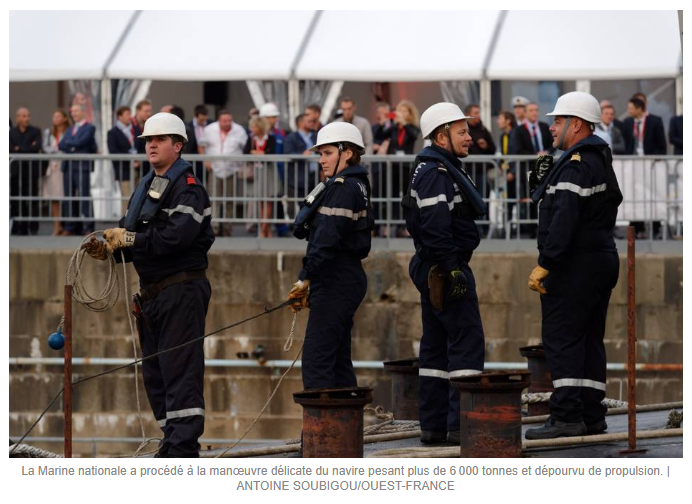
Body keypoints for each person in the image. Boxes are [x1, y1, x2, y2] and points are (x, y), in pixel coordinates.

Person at [82, 112, 214, 457]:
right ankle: (171, 439)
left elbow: (175, 239)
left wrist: (129, 239)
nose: (151, 145)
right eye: (147, 141)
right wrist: (111, 248)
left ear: (178, 145)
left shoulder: (189, 190)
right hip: (154, 293)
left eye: (159, 140)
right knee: (156, 373)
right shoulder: (147, 186)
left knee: (179, 369)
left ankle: (182, 448)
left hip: (181, 290)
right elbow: (137, 235)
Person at [524, 91, 622, 440]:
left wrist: (546, 263)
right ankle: (591, 413)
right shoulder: (594, 159)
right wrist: (542, 184)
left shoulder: (577, 163)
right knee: (589, 339)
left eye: (558, 121)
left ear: (576, 124)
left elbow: (564, 218)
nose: (551, 128)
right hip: (599, 259)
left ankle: (566, 416)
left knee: (562, 338)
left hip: (574, 264)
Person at [401, 103, 487, 444]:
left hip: (434, 266)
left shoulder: (436, 168)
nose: (469, 137)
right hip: (444, 268)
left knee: (435, 348)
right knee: (466, 342)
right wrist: (453, 269)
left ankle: (434, 426)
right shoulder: (437, 173)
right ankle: (461, 426)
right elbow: (436, 227)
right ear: (442, 136)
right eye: (462, 131)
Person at [286, 122, 372, 390]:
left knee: (317, 361)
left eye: (327, 153)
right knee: (337, 361)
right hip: (343, 278)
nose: (322, 160)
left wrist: (305, 278)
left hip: (336, 279)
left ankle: (321, 431)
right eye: (320, 154)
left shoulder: (343, 188)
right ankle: (343, 428)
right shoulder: (350, 185)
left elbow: (326, 239)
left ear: (347, 153)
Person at [200, 110, 248, 236]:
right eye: (224, 121)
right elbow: (201, 145)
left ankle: (228, 229)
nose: (227, 123)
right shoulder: (209, 129)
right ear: (218, 121)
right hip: (215, 169)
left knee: (230, 201)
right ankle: (214, 229)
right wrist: (205, 160)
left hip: (232, 170)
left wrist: (240, 165)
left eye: (229, 121)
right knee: (214, 199)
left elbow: (245, 148)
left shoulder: (239, 130)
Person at [59, 103, 97, 235]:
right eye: (72, 111)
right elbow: (61, 144)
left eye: (75, 111)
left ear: (82, 112)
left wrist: (70, 144)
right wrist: (73, 146)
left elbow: (82, 142)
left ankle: (88, 227)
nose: (73, 114)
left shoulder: (90, 127)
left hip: (82, 166)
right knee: (69, 196)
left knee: (84, 196)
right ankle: (70, 226)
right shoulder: (70, 129)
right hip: (69, 166)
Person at [9, 107, 42, 235]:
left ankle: (33, 227)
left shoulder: (35, 131)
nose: (27, 118)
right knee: (17, 198)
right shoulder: (11, 133)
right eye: (23, 116)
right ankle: (19, 226)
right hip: (16, 171)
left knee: (33, 198)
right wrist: (28, 147)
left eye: (28, 116)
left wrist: (19, 148)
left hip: (31, 171)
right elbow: (10, 149)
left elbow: (37, 147)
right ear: (17, 118)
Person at [243, 116, 277, 237]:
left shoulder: (271, 138)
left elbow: (271, 152)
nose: (251, 129)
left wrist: (257, 153)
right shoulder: (251, 139)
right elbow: (246, 152)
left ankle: (264, 229)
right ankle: (265, 230)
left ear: (260, 127)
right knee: (259, 200)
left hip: (267, 171)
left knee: (267, 200)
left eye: (254, 126)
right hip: (256, 172)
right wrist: (260, 153)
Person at [42, 109, 70, 235]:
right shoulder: (48, 132)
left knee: (66, 197)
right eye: (54, 116)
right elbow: (45, 147)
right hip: (52, 167)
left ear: (64, 118)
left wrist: (57, 150)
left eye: (58, 116)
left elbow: (69, 147)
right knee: (54, 198)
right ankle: (56, 226)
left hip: (64, 166)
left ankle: (67, 226)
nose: (56, 119)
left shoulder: (69, 131)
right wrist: (57, 150)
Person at [108, 106, 138, 215]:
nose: (130, 117)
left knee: (139, 198)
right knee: (127, 199)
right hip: (124, 170)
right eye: (127, 114)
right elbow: (113, 152)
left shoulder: (135, 129)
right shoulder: (113, 133)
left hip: (138, 169)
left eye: (130, 114)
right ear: (120, 116)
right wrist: (130, 159)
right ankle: (125, 225)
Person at [284, 113, 318, 200]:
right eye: (309, 121)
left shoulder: (315, 136)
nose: (312, 123)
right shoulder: (291, 138)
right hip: (300, 177)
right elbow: (288, 153)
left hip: (315, 176)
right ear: (301, 123)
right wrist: (301, 155)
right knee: (302, 203)